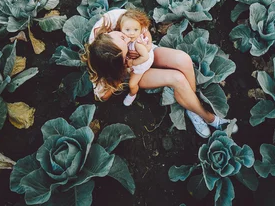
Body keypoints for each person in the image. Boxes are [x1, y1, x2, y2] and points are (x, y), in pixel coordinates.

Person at [83, 8, 237, 138]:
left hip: (148, 53)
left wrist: (147, 45)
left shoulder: (112, 19)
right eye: (125, 50)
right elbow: (102, 96)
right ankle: (210, 118)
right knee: (177, 78)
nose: (127, 40)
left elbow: (142, 27)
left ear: (108, 34)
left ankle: (191, 107)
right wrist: (121, 73)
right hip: (137, 72)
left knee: (183, 59)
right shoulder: (102, 67)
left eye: (123, 37)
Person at [116, 9, 154, 106]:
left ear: (140, 29)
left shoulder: (137, 44)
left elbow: (144, 57)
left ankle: (132, 94)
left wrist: (133, 63)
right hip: (140, 57)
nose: (132, 33)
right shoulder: (124, 38)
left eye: (135, 30)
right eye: (127, 30)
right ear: (120, 29)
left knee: (132, 84)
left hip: (142, 63)